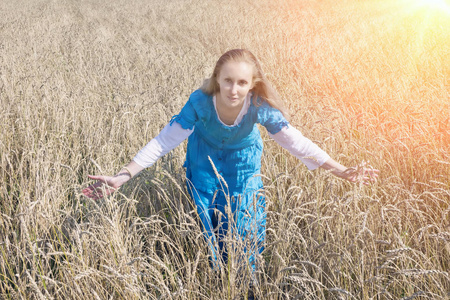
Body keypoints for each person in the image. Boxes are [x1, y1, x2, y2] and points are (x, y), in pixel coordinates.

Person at [82, 49, 379, 274]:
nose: (233, 90)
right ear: (217, 80)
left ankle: (245, 278)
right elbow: (164, 140)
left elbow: (295, 142)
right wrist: (125, 175)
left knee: (244, 220)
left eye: (241, 82)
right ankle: (216, 273)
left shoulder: (258, 106)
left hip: (243, 163)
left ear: (252, 84)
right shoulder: (200, 102)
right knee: (208, 219)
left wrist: (341, 170)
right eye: (227, 81)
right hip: (204, 160)